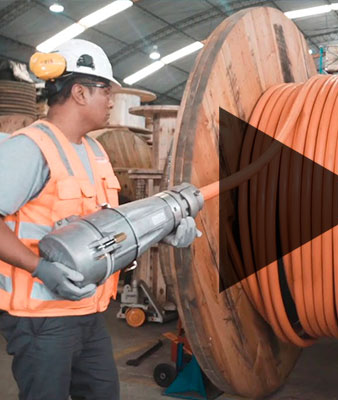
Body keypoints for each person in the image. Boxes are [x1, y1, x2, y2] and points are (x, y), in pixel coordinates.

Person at [0, 39, 197, 400]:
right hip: (42, 319)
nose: (111, 101)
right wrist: (40, 267)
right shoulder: (30, 148)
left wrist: (163, 230)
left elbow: (110, 226)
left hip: (89, 313)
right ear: (78, 92)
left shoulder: (95, 151)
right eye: (106, 90)